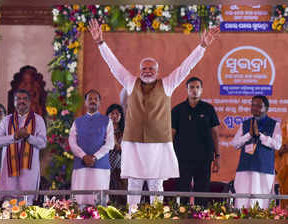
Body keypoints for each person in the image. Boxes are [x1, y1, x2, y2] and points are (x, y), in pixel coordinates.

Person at [88, 19, 219, 208]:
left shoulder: (167, 84)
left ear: (157, 71)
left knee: (156, 184)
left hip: (158, 143)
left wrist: (202, 46)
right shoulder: (131, 82)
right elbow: (114, 65)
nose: (147, 71)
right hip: (133, 142)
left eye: (151, 69)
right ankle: (132, 216)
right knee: (134, 183)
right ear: (139, 70)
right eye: (144, 68)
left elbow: (186, 67)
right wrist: (101, 43)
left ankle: (156, 217)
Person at [172, 77, 220, 206]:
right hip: (182, 158)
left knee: (202, 191)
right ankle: (181, 216)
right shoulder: (177, 110)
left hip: (204, 158)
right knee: (182, 190)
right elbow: (171, 135)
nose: (194, 90)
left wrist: (217, 156)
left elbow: (215, 133)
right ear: (187, 90)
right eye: (191, 87)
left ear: (202, 90)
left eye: (197, 87)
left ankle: (201, 217)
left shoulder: (208, 109)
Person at [0, 89, 47, 205]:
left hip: (28, 172)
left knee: (26, 209)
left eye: (25, 99)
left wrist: (28, 137)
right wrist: (14, 137)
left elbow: (43, 143)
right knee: (8, 211)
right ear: (14, 102)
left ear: (30, 102)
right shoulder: (6, 120)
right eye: (18, 99)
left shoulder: (38, 120)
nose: (21, 101)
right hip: (9, 173)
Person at [231, 95, 282, 209]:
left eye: (259, 106)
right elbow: (235, 144)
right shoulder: (245, 124)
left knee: (261, 202)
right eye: (253, 105)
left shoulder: (275, 124)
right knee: (242, 202)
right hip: (245, 168)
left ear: (266, 108)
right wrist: (249, 135)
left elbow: (277, 145)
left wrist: (260, 136)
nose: (255, 108)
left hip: (264, 169)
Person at [69, 89, 114, 206]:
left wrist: (94, 157)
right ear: (85, 102)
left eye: (96, 99)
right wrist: (84, 156)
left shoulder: (107, 121)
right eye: (90, 99)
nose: (93, 101)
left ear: (99, 102)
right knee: (79, 201)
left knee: (100, 203)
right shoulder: (77, 122)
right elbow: (72, 143)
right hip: (81, 166)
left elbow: (110, 143)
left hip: (101, 167)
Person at [106, 104, 127, 205]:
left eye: (117, 114)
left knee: (121, 196)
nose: (114, 116)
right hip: (105, 167)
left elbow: (121, 148)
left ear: (121, 116)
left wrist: (114, 139)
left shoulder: (125, 132)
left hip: (120, 168)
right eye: (112, 113)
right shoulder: (103, 131)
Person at [275, 119, 288, 209]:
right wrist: (281, 150)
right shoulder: (282, 128)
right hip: (284, 168)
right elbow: (276, 150)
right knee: (284, 192)